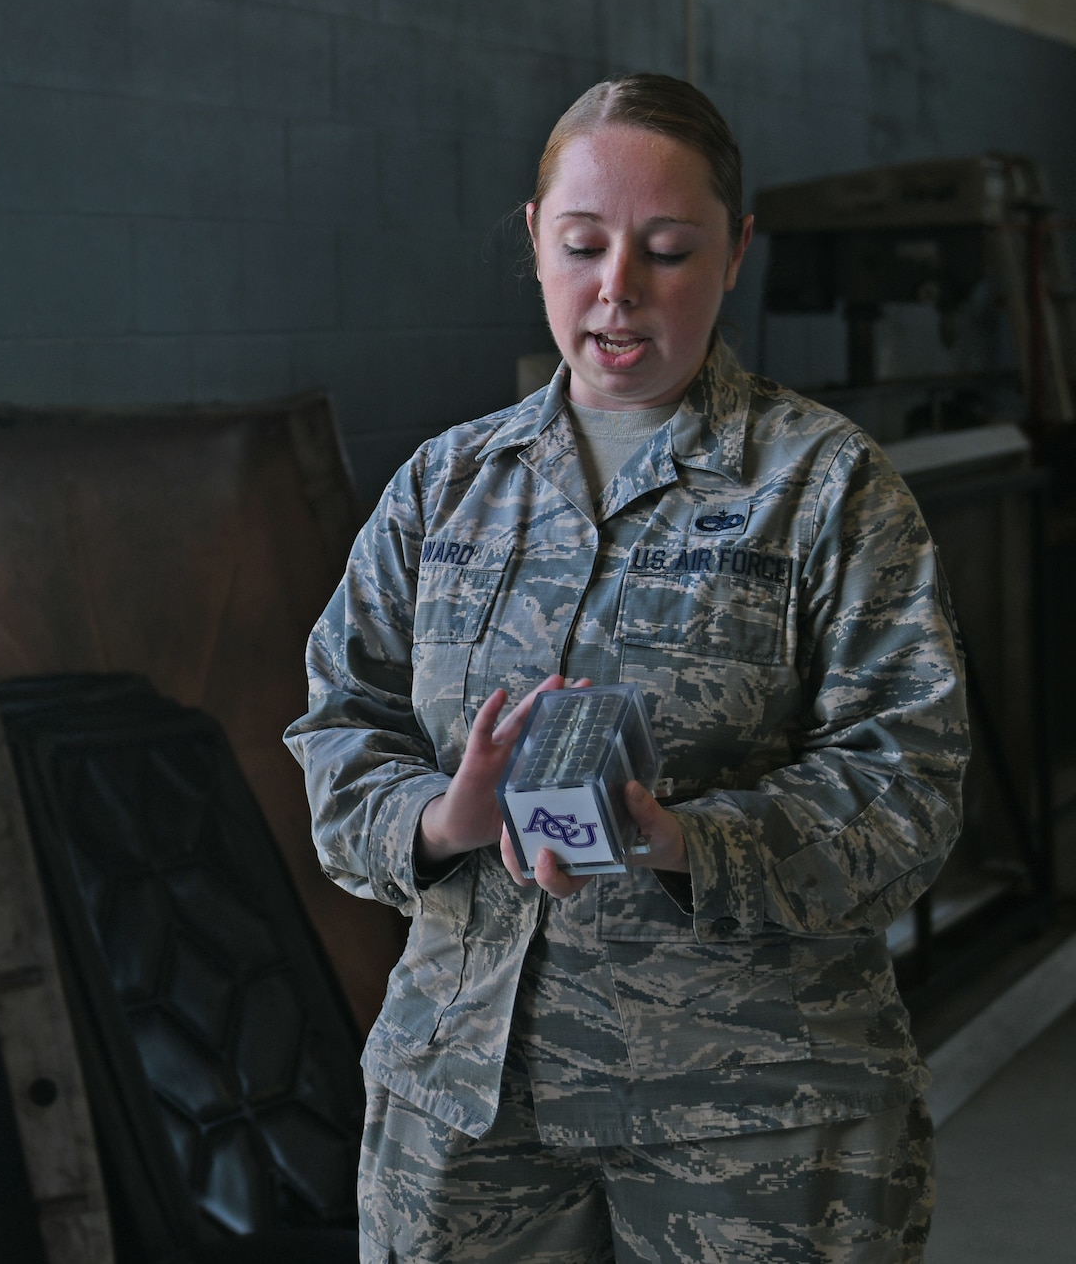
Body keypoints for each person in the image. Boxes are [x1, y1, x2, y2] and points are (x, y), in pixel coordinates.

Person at [287, 74, 966, 1263]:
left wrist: (683, 841)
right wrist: (440, 814)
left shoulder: (822, 489)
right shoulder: (445, 487)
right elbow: (338, 721)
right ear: (534, 244)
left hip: (751, 1119)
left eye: (665, 250)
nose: (617, 289)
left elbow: (907, 778)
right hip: (466, 1111)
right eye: (581, 245)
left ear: (734, 253)